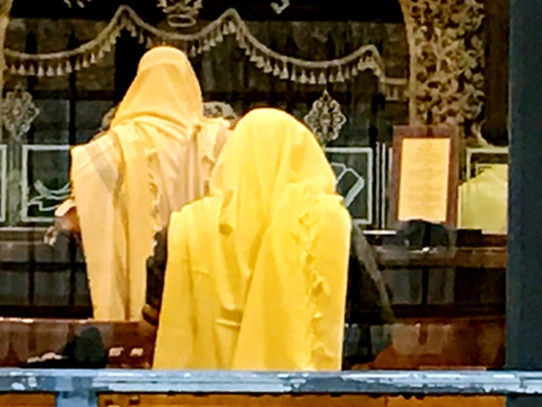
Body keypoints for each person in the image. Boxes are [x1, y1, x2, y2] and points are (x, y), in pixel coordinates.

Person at [153, 108, 350, 371]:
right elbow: (376, 325)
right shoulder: (326, 224)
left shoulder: (187, 227)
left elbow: (152, 320)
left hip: (205, 391)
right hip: (303, 391)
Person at [61, 46, 229, 322]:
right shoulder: (219, 140)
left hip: (138, 286)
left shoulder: (115, 145)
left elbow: (82, 200)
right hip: (204, 280)